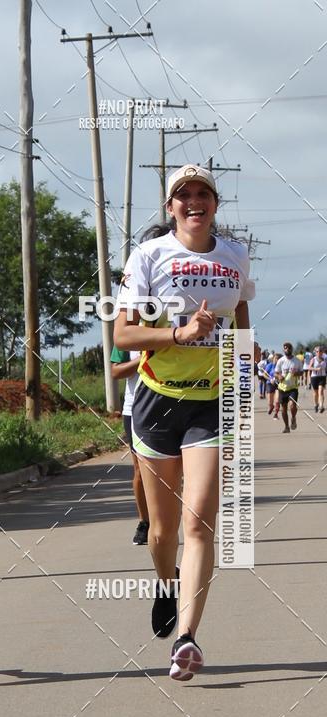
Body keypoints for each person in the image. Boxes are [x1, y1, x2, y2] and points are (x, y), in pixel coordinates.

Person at [113, 164, 256, 681]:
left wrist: (246, 356)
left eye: (204, 194)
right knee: (162, 531)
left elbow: (241, 325)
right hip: (156, 401)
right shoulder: (150, 256)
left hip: (211, 402)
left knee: (199, 523)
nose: (194, 201)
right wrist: (180, 335)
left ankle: (187, 637)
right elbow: (125, 336)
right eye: (183, 195)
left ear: (216, 204)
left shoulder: (235, 256)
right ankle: (166, 582)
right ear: (171, 208)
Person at [110, 346, 149, 544]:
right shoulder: (127, 332)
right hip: (135, 409)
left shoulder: (172, 327)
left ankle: (172, 520)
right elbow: (116, 371)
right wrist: (143, 358)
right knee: (140, 470)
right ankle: (144, 522)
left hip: (171, 406)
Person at [275, 341, 303, 432]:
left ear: (292, 349)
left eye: (289, 347)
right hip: (282, 388)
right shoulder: (281, 360)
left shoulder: (297, 361)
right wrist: (279, 376)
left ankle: (293, 418)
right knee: (283, 409)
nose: (287, 349)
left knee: (292, 406)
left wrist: (296, 373)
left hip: (293, 388)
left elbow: (302, 372)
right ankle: (286, 427)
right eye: (285, 348)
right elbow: (276, 372)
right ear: (283, 349)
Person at [309, 345, 326, 413]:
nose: (319, 352)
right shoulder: (313, 359)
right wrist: (316, 369)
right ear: (315, 352)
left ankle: (321, 406)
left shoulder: (325, 359)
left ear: (322, 352)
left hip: (322, 377)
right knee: (316, 393)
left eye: (320, 351)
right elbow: (309, 368)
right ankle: (316, 404)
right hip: (314, 377)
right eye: (317, 351)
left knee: (321, 391)